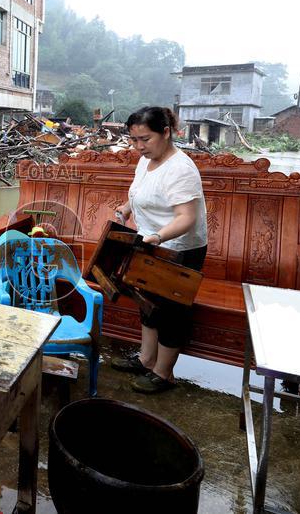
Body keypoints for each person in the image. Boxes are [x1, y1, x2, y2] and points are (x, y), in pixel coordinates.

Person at [110, 107, 208, 394]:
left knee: (171, 311)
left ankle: (164, 374)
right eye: (134, 140)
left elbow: (186, 218)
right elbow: (141, 192)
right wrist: (127, 208)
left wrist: (157, 237)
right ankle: (146, 359)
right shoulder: (146, 161)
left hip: (179, 248)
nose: (139, 147)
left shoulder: (181, 169)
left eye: (146, 139)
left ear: (166, 132)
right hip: (149, 241)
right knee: (148, 303)